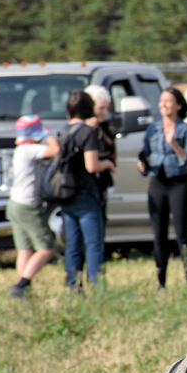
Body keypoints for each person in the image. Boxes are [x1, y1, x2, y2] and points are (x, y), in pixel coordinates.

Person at [137, 86, 187, 290]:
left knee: (182, 235)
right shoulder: (152, 129)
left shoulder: (185, 130)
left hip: (178, 184)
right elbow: (145, 154)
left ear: (179, 105)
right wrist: (142, 165)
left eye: (169, 101)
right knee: (159, 236)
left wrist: (174, 144)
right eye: (161, 101)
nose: (164, 104)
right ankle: (161, 283)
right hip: (157, 184)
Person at [61, 90, 115, 292]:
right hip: (85, 194)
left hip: (66, 194)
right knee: (93, 244)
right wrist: (107, 163)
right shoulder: (87, 132)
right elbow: (91, 166)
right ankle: (97, 287)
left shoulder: (64, 131)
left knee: (73, 245)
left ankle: (73, 287)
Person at [6, 115, 60, 298]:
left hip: (14, 204)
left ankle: (22, 289)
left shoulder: (19, 150)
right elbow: (54, 150)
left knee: (25, 249)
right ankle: (22, 284)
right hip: (28, 205)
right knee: (47, 247)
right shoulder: (30, 149)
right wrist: (51, 135)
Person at [84, 85, 117, 222]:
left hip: (102, 183)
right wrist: (107, 164)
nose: (105, 112)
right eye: (100, 108)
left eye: (106, 108)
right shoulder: (83, 129)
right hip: (86, 185)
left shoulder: (105, 128)